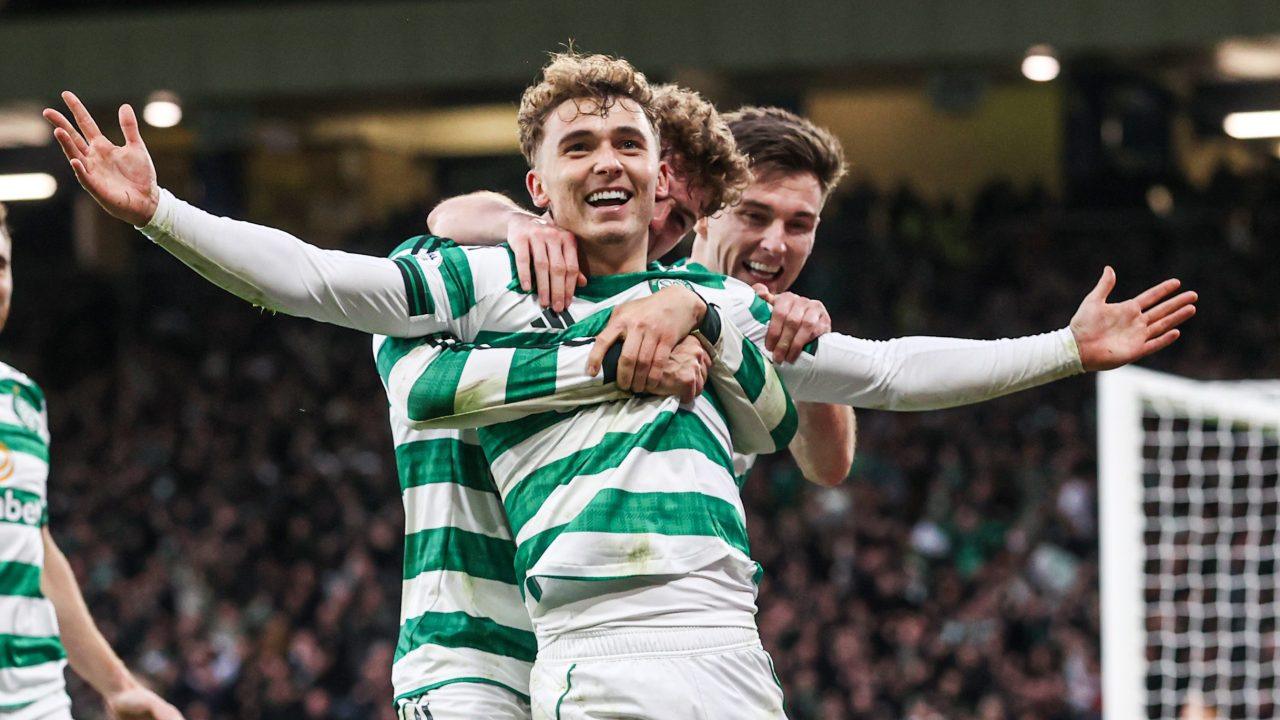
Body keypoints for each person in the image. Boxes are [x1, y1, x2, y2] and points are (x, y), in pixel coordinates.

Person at [46, 49, 1196, 719]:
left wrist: (1061, 348)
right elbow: (320, 286)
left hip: (719, 649)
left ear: (663, 192)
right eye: (580, 148)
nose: (616, 167)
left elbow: (884, 375)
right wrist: (161, 214)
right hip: (496, 651)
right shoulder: (480, 277)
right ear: (536, 181)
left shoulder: (724, 311)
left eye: (631, 148)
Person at [426, 88, 857, 487]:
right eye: (756, 215)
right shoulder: (541, 262)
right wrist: (517, 223)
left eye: (800, 224)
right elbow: (446, 219)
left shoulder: (737, 311)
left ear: (704, 213)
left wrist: (809, 349)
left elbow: (829, 467)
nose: (776, 243)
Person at [0, 203, 184, 720]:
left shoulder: (22, 401)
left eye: (0, 264)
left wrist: (118, 685)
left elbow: (32, 547)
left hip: (37, 702)